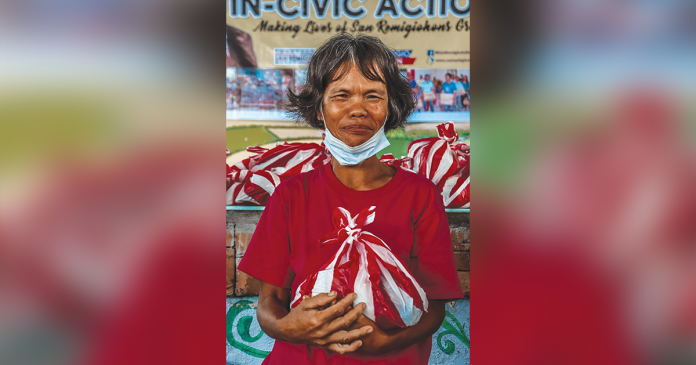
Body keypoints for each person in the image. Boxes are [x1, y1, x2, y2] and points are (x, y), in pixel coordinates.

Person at [238, 33, 462, 365]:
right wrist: (288, 328)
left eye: (373, 96)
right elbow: (268, 303)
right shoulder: (291, 195)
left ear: (391, 109)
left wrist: (386, 344)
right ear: (318, 110)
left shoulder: (420, 196)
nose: (357, 109)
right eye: (341, 95)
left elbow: (435, 305)